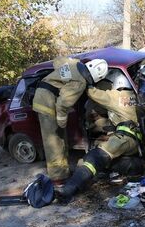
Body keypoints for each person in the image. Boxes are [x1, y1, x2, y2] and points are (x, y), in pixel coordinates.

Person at [56, 69, 141, 203]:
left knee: (95, 157)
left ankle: (69, 188)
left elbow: (94, 94)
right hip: (137, 140)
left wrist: (85, 81)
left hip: (124, 139)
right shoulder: (135, 95)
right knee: (112, 161)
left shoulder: (117, 96)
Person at [32, 57, 109, 186]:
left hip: (42, 96)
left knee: (60, 140)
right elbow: (63, 104)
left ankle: (64, 172)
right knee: (54, 142)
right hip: (47, 103)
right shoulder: (80, 82)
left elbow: (57, 61)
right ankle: (58, 179)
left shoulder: (73, 63)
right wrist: (62, 123)